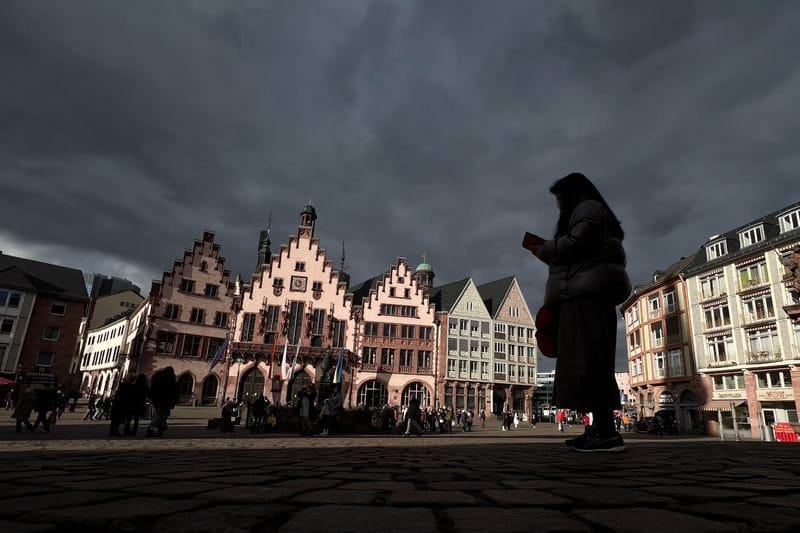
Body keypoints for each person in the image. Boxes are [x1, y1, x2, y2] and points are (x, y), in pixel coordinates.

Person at [528, 172, 631, 453]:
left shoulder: (587, 209)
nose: (557, 205)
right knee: (587, 363)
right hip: (583, 293)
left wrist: (544, 249)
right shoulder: (592, 212)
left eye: (559, 197)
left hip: (587, 295)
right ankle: (596, 429)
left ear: (571, 194)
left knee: (591, 362)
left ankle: (607, 433)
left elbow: (577, 244)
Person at [147, 367, 178, 437]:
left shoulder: (158, 380)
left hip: (159, 402)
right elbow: (175, 393)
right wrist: (173, 402)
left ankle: (155, 430)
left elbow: (153, 391)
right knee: (161, 417)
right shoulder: (172, 381)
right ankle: (154, 430)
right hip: (166, 402)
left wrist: (152, 399)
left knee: (160, 417)